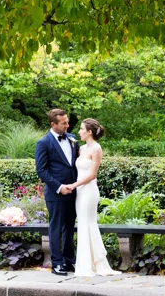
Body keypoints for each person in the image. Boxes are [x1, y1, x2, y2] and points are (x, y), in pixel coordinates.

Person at [34, 108, 79, 275]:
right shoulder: (43, 143)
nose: (67, 125)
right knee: (56, 228)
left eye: (67, 122)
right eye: (64, 123)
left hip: (74, 191)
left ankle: (69, 261)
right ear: (53, 124)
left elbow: (76, 163)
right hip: (56, 194)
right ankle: (57, 263)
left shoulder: (72, 139)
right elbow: (41, 170)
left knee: (69, 227)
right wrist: (60, 187)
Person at [69, 118, 115, 277]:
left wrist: (73, 185)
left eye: (82, 129)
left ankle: (93, 265)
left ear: (89, 132)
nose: (79, 132)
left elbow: (92, 174)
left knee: (88, 223)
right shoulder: (81, 149)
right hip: (80, 191)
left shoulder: (96, 148)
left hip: (88, 190)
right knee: (83, 223)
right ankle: (86, 264)